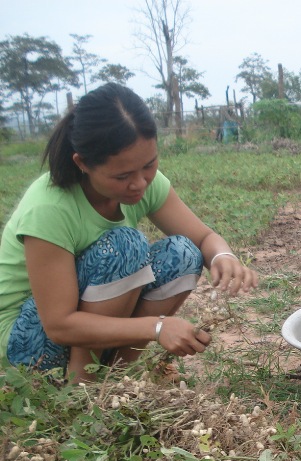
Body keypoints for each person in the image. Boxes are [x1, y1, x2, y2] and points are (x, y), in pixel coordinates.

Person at [0, 83, 258, 382]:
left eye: (149, 165)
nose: (139, 183)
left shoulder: (145, 183)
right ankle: (81, 387)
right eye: (122, 176)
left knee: (184, 253)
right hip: (29, 346)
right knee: (124, 247)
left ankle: (118, 377)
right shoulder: (49, 209)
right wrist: (157, 327)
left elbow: (202, 239)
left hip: (80, 328)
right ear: (82, 163)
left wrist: (223, 255)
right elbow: (58, 325)